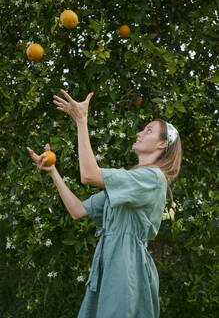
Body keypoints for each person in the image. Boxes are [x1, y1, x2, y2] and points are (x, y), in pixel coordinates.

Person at [27, 89, 182, 318]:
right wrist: (53, 172)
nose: (139, 133)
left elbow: (89, 175)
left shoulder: (152, 179)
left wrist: (81, 120)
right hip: (109, 264)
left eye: (148, 130)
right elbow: (77, 210)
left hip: (127, 268)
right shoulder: (129, 183)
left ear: (162, 145)